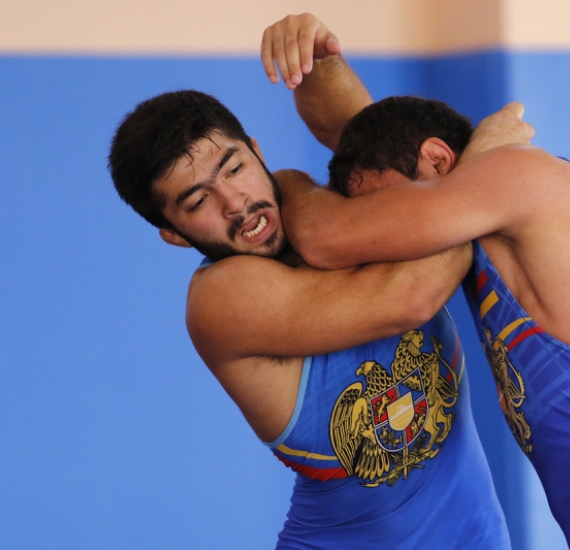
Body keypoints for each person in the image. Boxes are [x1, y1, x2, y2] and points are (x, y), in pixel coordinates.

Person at [268, 14, 570, 550]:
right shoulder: (478, 214)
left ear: (437, 159)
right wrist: (317, 64)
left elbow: (326, 235)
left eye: (385, 208)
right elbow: (361, 133)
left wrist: (284, 182)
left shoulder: (519, 178)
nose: (386, 236)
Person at [106, 17, 529, 547]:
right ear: (173, 234)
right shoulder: (221, 299)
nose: (236, 203)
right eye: (198, 201)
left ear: (257, 151)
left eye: (234, 168)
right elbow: (410, 295)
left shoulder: (320, 211)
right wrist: (478, 170)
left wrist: (318, 62)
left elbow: (371, 136)